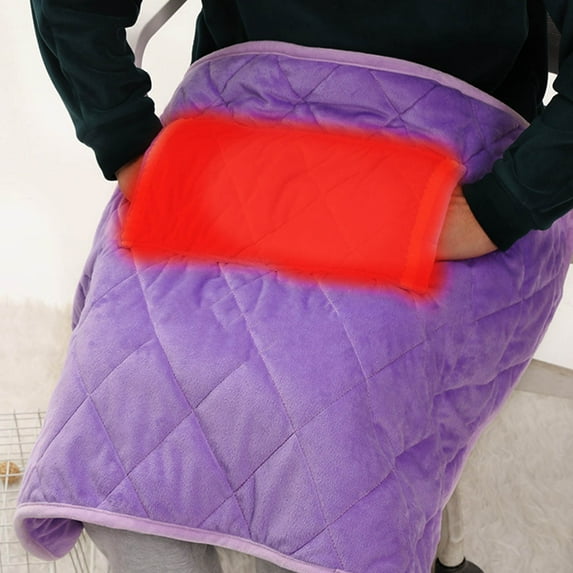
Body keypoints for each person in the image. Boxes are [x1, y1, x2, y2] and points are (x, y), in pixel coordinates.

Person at [26, 2, 573, 572]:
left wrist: (504, 203)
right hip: (241, 112)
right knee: (121, 389)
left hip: (452, 138)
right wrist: (125, 138)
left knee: (334, 433)